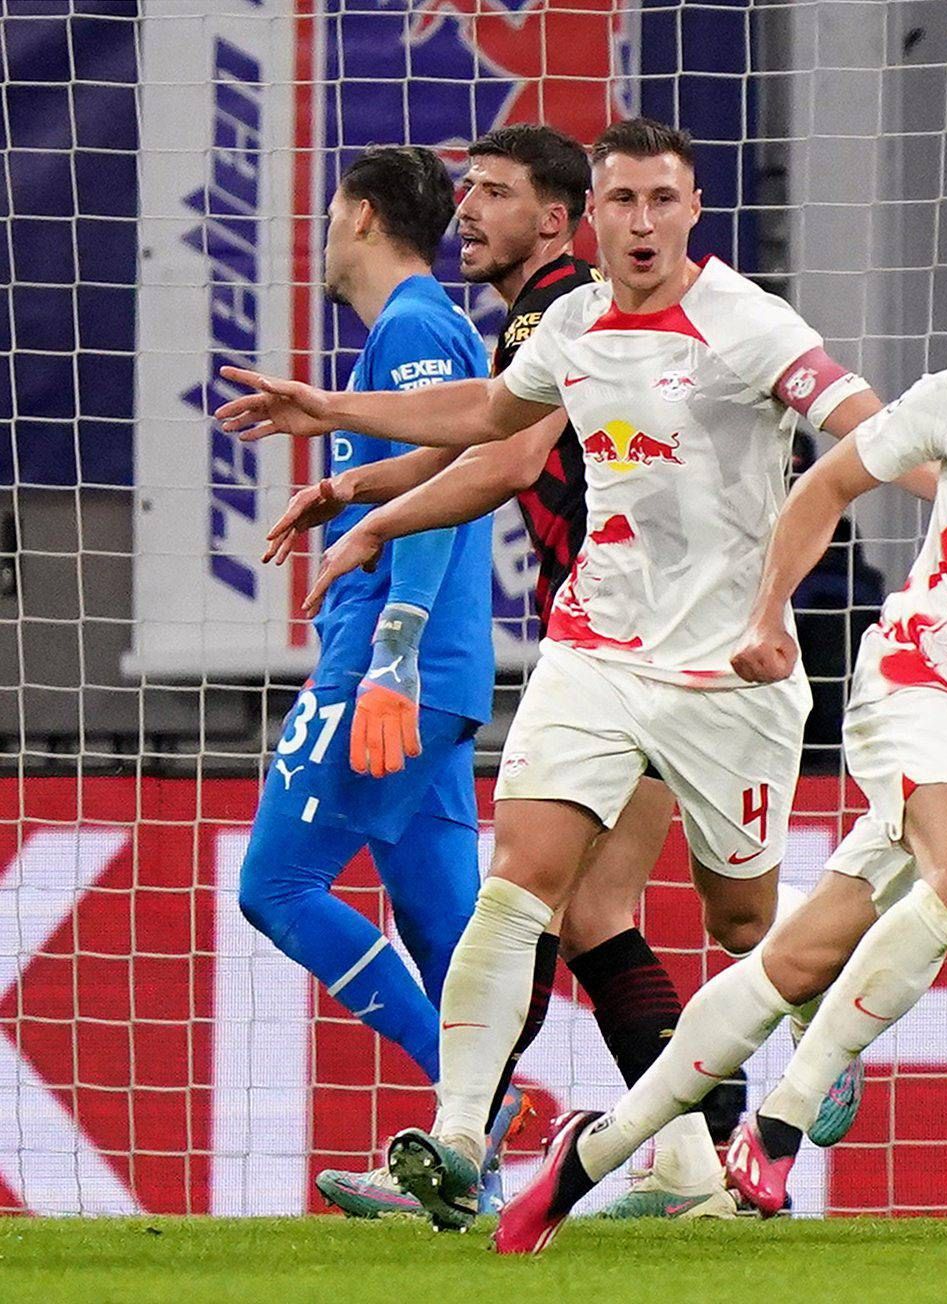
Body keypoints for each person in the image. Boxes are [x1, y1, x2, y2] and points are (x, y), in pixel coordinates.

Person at [487, 216, 947, 1256]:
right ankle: (782, 1124)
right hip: (913, 676)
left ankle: (588, 1153)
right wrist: (764, 616)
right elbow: (826, 483)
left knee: (796, 958)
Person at [217, 117, 906, 1230]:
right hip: (593, 645)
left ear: (693, 211)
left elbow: (870, 431)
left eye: (661, 201)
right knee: (525, 886)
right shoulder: (573, 324)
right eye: (621, 201)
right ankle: (457, 1140)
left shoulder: (748, 324)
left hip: (723, 668)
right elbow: (491, 425)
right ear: (591, 217)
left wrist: (803, 575)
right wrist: (336, 427)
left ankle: (805, 1022)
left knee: (738, 920)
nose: (641, 222)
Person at [274, 124, 741, 1221]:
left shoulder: (557, 309)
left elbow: (505, 455)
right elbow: (484, 437)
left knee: (545, 902)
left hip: (636, 652)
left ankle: (487, 1134)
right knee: (587, 912)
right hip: (654, 646)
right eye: (464, 189)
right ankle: (692, 1162)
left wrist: (363, 495)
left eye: (493, 192)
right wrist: (355, 492)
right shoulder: (549, 318)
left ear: (554, 218)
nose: (465, 210)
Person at [228, 145, 495, 1211]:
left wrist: (389, 657)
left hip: (393, 671)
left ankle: (480, 1110)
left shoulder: (419, 325)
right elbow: (434, 467)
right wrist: (343, 486)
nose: (321, 230)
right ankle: (473, 1166)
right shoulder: (419, 332)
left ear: (365, 216)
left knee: (276, 886)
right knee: (451, 938)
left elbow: (446, 480)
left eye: (332, 209)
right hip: (433, 678)